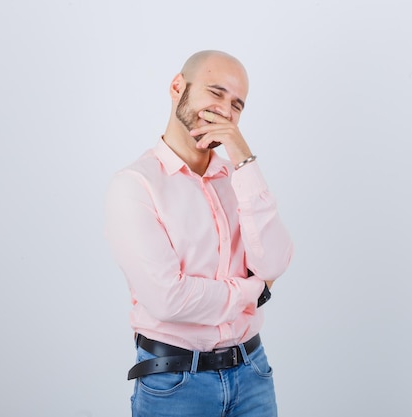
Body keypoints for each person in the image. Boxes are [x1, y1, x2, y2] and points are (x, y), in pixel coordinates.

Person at [104, 50, 293, 417]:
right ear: (178, 86)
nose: (226, 110)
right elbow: (169, 299)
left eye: (237, 104)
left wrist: (243, 157)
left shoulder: (240, 179)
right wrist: (255, 288)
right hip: (175, 384)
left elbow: (275, 260)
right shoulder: (135, 185)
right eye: (216, 92)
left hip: (252, 372)